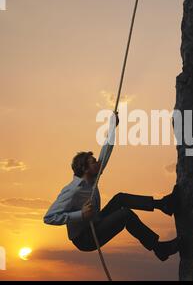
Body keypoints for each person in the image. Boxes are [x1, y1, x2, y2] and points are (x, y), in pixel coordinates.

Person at [43, 112, 181, 261]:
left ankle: (164, 205)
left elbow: (106, 152)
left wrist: (112, 126)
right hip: (85, 239)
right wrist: (80, 214)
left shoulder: (92, 178)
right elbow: (49, 217)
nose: (98, 163)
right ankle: (159, 248)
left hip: (96, 221)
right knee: (125, 214)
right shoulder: (72, 191)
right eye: (93, 162)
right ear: (85, 169)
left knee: (120, 198)